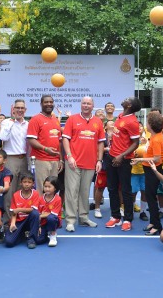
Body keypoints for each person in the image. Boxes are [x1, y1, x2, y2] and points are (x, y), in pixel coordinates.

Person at [62, 96, 105, 231]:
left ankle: (84, 218)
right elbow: (65, 139)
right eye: (84, 103)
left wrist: (99, 160)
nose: (86, 105)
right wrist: (69, 156)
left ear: (93, 106)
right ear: (81, 105)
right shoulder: (72, 119)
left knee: (85, 192)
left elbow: (101, 142)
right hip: (73, 163)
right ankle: (70, 220)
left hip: (90, 163)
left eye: (88, 103)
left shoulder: (98, 121)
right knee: (71, 191)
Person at [105, 96, 141, 231]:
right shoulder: (120, 116)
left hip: (124, 160)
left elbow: (136, 143)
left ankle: (127, 219)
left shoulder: (133, 122)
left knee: (125, 190)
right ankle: (115, 216)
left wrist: (121, 155)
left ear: (129, 105)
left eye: (127, 99)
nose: (125, 99)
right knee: (112, 188)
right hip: (111, 157)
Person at [131, 112, 163, 235]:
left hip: (153, 170)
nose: (146, 124)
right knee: (150, 197)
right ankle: (153, 222)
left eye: (147, 122)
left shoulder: (156, 139)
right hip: (149, 170)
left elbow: (156, 158)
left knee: (151, 198)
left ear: (151, 124)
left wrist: (140, 160)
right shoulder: (154, 136)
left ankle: (157, 225)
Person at [0, 100, 29, 222]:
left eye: (22, 108)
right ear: (13, 109)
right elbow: (3, 137)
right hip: (11, 159)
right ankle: (7, 219)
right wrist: (11, 121)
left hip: (25, 159)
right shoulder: (7, 122)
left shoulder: (28, 124)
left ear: (25, 110)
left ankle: (19, 218)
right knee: (10, 190)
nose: (20, 110)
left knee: (22, 189)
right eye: (17, 108)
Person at [27, 95, 63, 190]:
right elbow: (31, 140)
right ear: (41, 104)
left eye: (51, 102)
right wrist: (45, 149)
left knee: (52, 190)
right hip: (41, 160)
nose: (49, 104)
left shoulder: (55, 120)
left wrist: (61, 159)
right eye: (46, 102)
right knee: (41, 189)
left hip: (55, 161)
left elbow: (59, 141)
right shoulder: (35, 119)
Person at [6, 172, 41, 249]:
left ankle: (31, 238)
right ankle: (22, 234)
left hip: (30, 221)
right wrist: (12, 223)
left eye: (29, 182)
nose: (27, 184)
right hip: (19, 222)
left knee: (35, 213)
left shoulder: (35, 194)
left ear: (33, 184)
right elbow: (14, 212)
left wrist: (19, 209)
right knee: (9, 242)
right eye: (24, 182)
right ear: (21, 183)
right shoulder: (16, 195)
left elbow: (33, 209)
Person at [93, 120, 114, 219]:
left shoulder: (118, 135)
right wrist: (106, 149)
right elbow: (96, 148)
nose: (113, 124)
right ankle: (97, 208)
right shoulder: (102, 135)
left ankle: (117, 208)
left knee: (117, 188)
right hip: (104, 164)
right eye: (110, 123)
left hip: (115, 165)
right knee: (100, 187)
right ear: (105, 127)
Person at [37, 176, 62, 247]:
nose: (47, 189)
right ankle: (44, 234)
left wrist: (41, 215)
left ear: (55, 188)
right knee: (38, 240)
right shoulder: (40, 198)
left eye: (49, 187)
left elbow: (53, 214)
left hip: (53, 221)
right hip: (42, 223)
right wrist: (38, 226)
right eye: (45, 186)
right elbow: (38, 213)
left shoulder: (58, 199)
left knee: (51, 217)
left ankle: (53, 234)